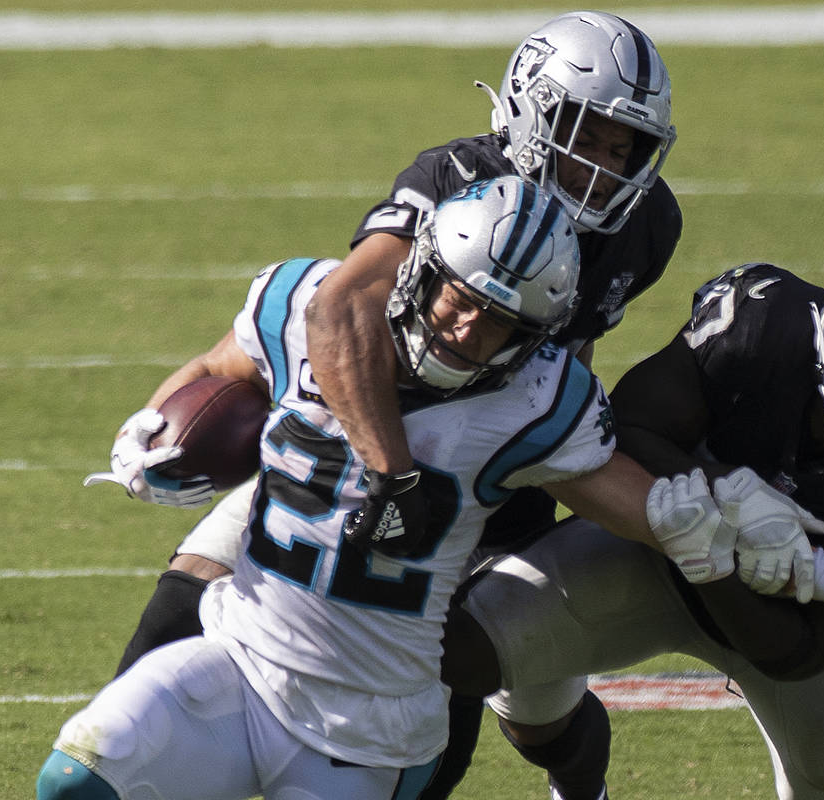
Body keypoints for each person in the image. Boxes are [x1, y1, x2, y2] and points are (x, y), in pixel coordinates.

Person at [41, 176, 808, 800]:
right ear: (422, 268)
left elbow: (633, 505)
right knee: (77, 780)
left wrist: (721, 528)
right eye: (460, 296)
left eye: (501, 322)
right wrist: (152, 426)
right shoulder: (301, 301)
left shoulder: (534, 403)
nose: (469, 328)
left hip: (369, 725)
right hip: (239, 657)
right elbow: (217, 372)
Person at [108, 12, 684, 795]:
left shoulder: (647, 226)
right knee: (182, 608)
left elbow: (568, 359)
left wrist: (539, 453)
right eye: (587, 136)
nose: (604, 168)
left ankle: (583, 787)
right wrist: (390, 470)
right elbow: (339, 309)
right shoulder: (454, 179)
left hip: (485, 459)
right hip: (358, 435)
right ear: (531, 109)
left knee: (504, 699)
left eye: (624, 149)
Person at [441, 237, 824, 799]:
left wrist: (715, 562)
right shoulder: (761, 326)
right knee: (470, 654)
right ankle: (579, 787)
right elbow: (626, 431)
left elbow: (795, 655)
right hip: (653, 554)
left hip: (783, 627)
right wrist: (726, 496)